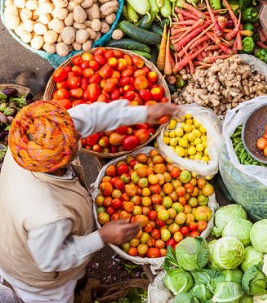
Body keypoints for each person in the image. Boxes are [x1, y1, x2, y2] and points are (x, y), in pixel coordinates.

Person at [0, 99, 180, 303]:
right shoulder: (47, 212)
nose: (79, 136)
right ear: (59, 163)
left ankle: (80, 283)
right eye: (75, 138)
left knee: (74, 277)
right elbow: (52, 260)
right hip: (37, 277)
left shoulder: (29, 146)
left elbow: (86, 117)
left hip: (15, 230)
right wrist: (102, 237)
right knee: (61, 297)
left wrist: (144, 113)